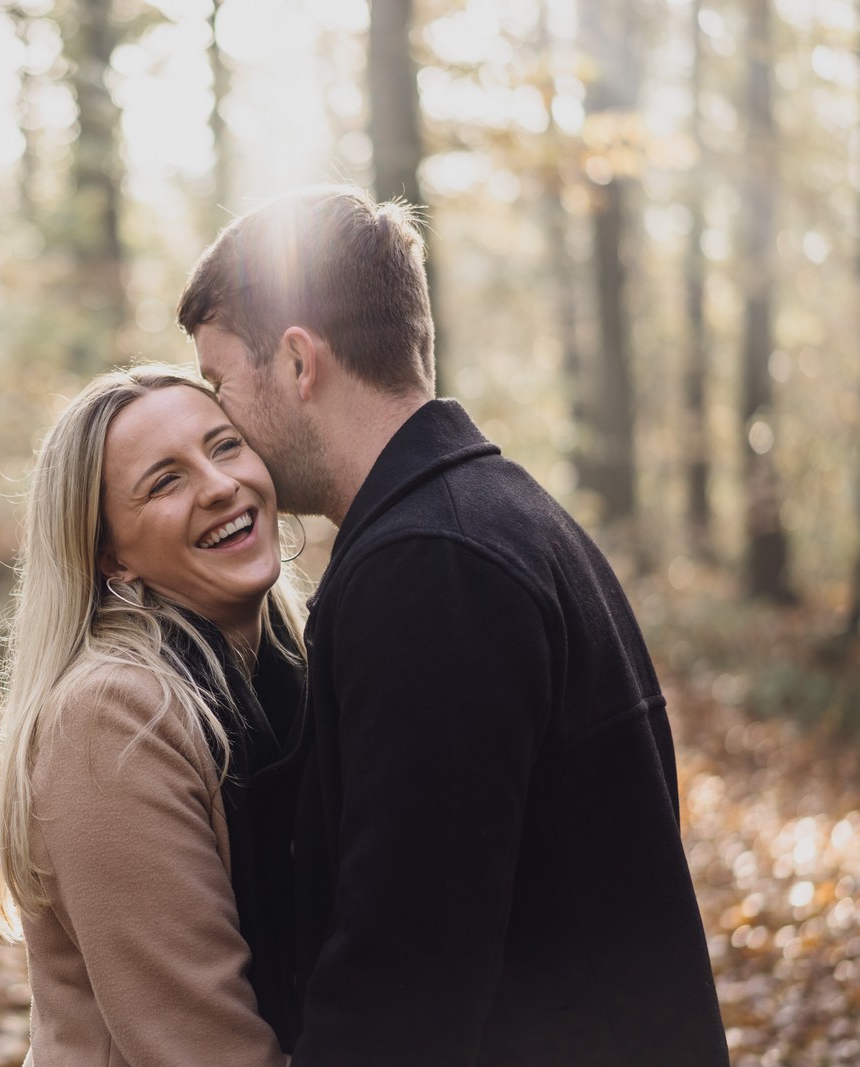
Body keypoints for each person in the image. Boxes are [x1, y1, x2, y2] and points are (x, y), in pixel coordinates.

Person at [177, 185, 730, 1066]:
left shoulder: (433, 567)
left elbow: (405, 969)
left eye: (218, 382)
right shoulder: (492, 517)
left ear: (296, 362)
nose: (218, 420)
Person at [0, 366, 307, 1066]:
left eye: (224, 447)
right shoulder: (112, 715)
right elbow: (203, 1047)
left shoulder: (293, 667)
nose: (220, 485)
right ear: (110, 558)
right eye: (165, 481)